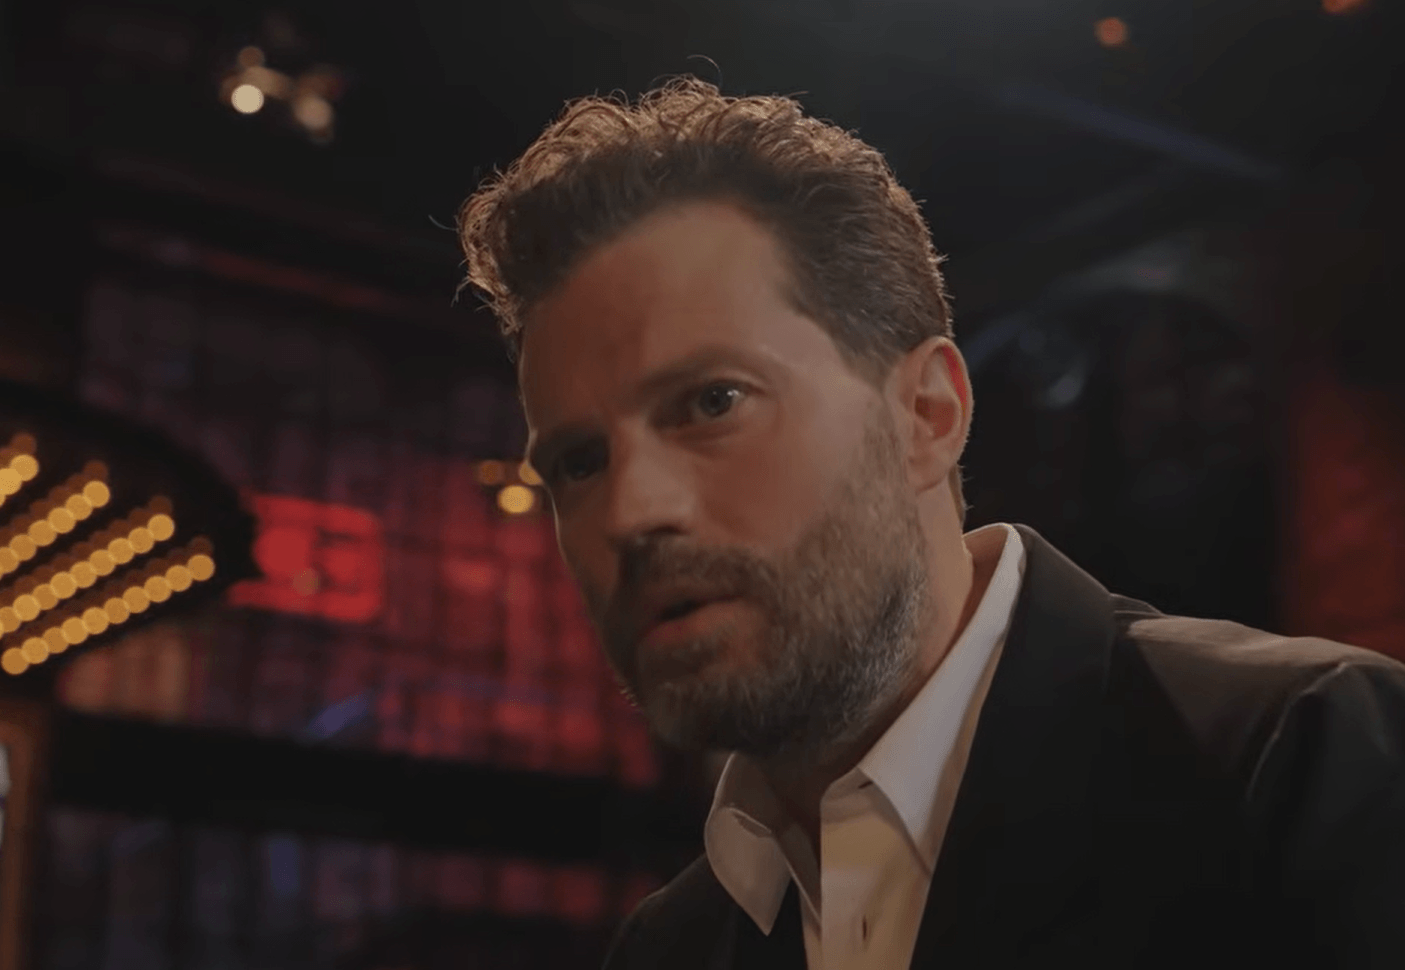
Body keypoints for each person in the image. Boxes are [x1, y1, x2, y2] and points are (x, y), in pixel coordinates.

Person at [456, 78, 1405, 969]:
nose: (631, 511)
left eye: (712, 402)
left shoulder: (1299, 761)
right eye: (578, 462)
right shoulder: (672, 946)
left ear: (926, 414)